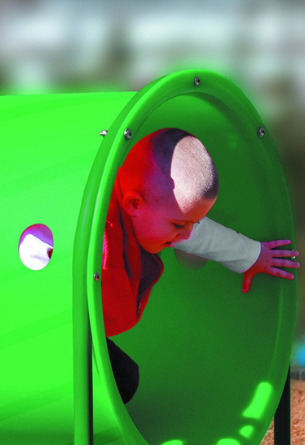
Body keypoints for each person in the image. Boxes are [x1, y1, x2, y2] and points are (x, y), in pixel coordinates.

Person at [102, 128, 299, 403]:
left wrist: (253, 255)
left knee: (123, 376)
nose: (186, 234)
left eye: (192, 223)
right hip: (54, 333)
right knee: (118, 380)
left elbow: (200, 234)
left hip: (83, 332)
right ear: (134, 204)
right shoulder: (100, 237)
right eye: (179, 225)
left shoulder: (152, 209)